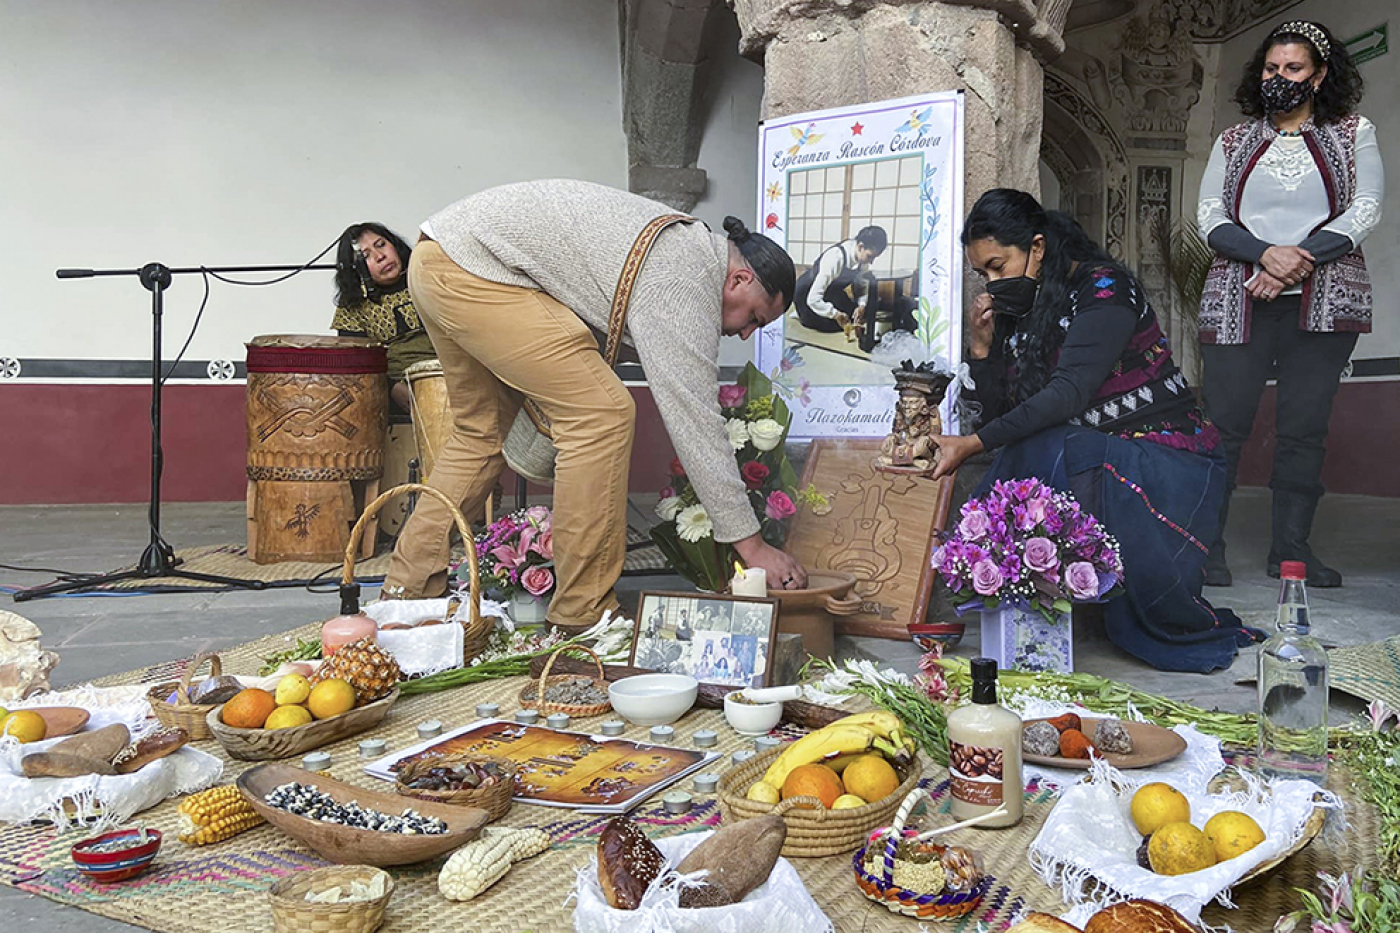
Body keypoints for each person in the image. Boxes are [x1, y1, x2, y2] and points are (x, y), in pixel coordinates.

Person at [382, 179, 808, 630]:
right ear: (740, 278)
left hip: (437, 260)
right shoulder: (690, 275)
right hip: (476, 267)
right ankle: (583, 612)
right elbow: (696, 422)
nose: (744, 334)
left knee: (478, 435)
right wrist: (753, 546)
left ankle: (405, 594)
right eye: (754, 318)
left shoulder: (687, 251)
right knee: (602, 415)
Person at [929, 189, 1256, 674]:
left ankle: (1017, 581)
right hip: (1099, 458)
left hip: (1168, 465)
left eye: (999, 265)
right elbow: (1008, 411)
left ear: (1037, 248)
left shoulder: (1106, 291)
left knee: (1055, 445)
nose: (993, 282)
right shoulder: (1027, 310)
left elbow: (1066, 397)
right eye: (983, 274)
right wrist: (983, 351)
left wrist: (973, 444)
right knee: (1042, 445)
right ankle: (1017, 588)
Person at [1197, 20, 1382, 588]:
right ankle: (1206, 550)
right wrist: (1265, 256)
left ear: (1320, 75)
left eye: (1294, 69)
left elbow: (1366, 208)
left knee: (1304, 429)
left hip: (1323, 304)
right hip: (1239, 298)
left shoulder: (1354, 133)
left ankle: (1292, 553)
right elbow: (1210, 215)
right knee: (1224, 427)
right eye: (1272, 69)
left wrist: (1296, 257)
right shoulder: (1233, 141)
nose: (1280, 78)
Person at [331, 223, 438, 414]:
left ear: (394, 245)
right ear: (355, 269)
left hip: (454, 378)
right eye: (366, 256)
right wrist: (391, 389)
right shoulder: (353, 308)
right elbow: (356, 367)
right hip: (396, 396)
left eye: (381, 245)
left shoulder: (430, 280)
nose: (380, 256)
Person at [792, 225, 887, 334]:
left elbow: (861, 287)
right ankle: (801, 313)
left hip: (831, 292)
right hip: (807, 294)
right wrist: (835, 314)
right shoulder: (836, 257)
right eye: (870, 257)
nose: (871, 262)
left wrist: (861, 305)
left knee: (854, 316)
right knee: (833, 325)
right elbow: (813, 299)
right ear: (860, 247)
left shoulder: (862, 260)